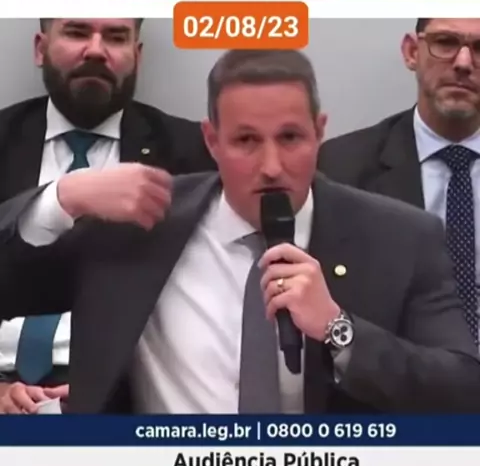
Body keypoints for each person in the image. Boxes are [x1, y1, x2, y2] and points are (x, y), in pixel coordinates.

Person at [0, 47, 479, 415]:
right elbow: (11, 286)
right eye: (246, 140)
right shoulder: (140, 224)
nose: (271, 166)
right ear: (212, 140)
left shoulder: (401, 237)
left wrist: (339, 329)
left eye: (290, 137)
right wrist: (62, 198)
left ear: (319, 131)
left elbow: (462, 389)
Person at [0, 17, 215, 413]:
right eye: (77, 32)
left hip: (118, 401)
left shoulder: (193, 156)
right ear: (40, 48)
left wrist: (103, 391)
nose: (96, 50)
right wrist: (61, 199)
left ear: (137, 56)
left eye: (115, 37)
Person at [318, 18, 480, 350]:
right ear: (411, 52)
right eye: (446, 42)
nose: (463, 63)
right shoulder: (340, 169)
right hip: (394, 372)